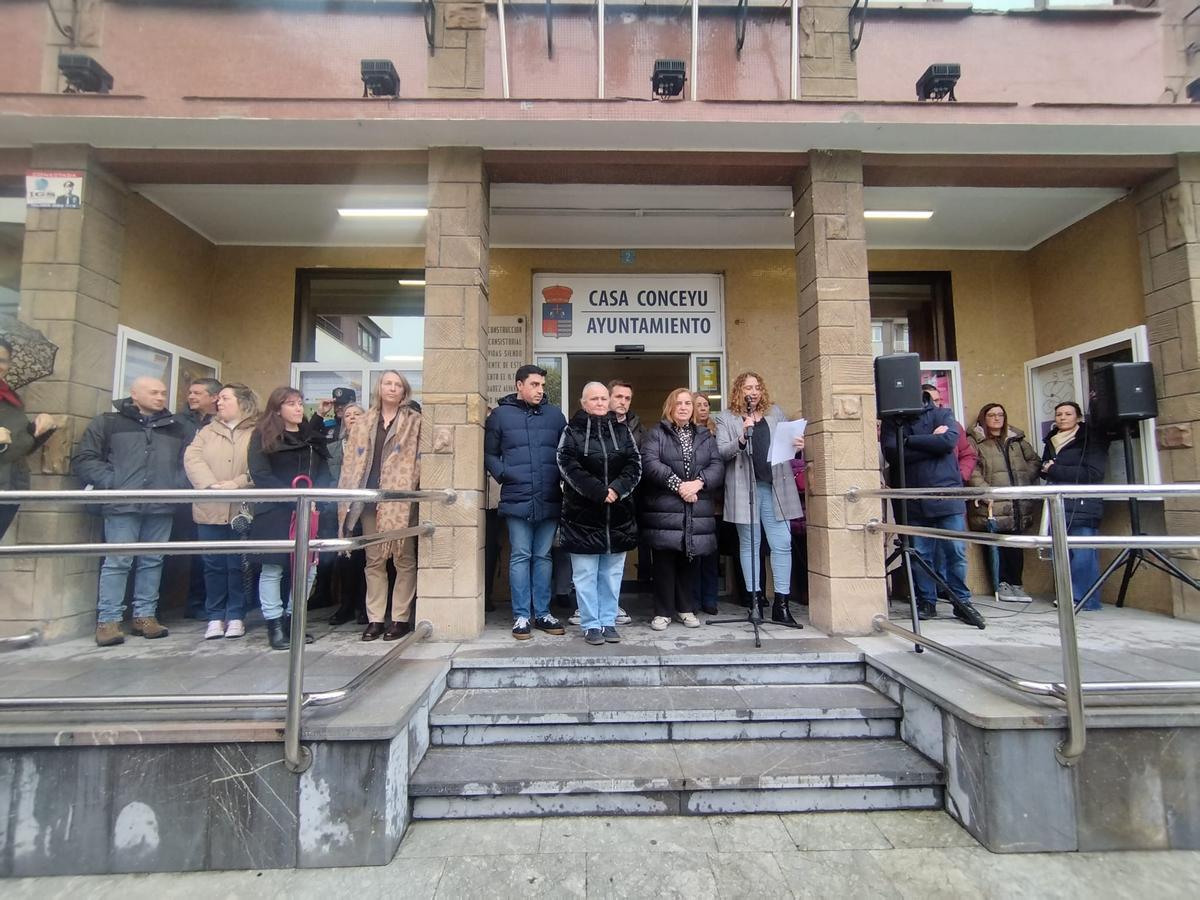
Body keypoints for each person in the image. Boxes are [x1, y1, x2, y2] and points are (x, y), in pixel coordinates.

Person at [72, 376, 195, 647]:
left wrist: (174, 485)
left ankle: (144, 616)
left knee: (153, 560)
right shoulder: (108, 422)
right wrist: (113, 481)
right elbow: (85, 459)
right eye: (154, 392)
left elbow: (188, 463)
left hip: (161, 504)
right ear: (134, 394)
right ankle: (109, 620)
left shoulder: (176, 427)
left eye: (163, 393)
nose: (161, 397)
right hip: (121, 503)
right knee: (118, 561)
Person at [881, 390, 986, 628]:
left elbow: (948, 442)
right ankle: (926, 601)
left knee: (956, 552)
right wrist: (931, 442)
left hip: (946, 494)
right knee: (920, 554)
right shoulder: (893, 421)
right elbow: (893, 452)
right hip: (913, 498)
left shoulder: (943, 414)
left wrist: (909, 441)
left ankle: (961, 600)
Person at [485, 364, 568, 641]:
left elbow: (566, 454)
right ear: (519, 385)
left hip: (549, 496)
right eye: (534, 384)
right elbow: (490, 454)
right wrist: (505, 475)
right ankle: (521, 615)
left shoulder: (555, 416)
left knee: (543, 556)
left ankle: (543, 613)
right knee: (521, 555)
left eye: (542, 385)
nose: (540, 390)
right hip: (517, 496)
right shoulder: (500, 416)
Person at [337, 371, 423, 641]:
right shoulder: (363, 422)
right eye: (388, 383)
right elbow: (350, 461)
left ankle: (400, 618)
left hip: (399, 500)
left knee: (403, 558)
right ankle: (375, 618)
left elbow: (421, 457)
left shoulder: (414, 422)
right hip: (369, 500)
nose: (393, 388)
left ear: (404, 391)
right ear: (379, 388)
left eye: (398, 385)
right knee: (374, 560)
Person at [715, 371, 806, 626]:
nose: (753, 392)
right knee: (750, 546)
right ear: (738, 391)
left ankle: (782, 604)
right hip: (746, 489)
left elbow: (787, 445)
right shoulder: (727, 417)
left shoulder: (775, 413)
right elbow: (722, 451)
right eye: (747, 388)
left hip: (776, 486)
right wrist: (743, 436)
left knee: (783, 543)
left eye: (757, 387)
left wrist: (797, 445)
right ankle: (754, 603)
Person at [557, 382, 642, 645]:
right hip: (582, 517)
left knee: (612, 573)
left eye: (603, 398)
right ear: (583, 402)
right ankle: (591, 624)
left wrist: (616, 489)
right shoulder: (571, 431)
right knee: (584, 575)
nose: (600, 403)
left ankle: (608, 621)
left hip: (617, 516)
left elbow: (634, 465)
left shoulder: (622, 430)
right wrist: (597, 491)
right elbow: (566, 463)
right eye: (594, 399)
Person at [248, 386, 332, 650]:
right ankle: (273, 624)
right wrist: (291, 496)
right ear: (277, 408)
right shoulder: (263, 436)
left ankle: (293, 620)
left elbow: (324, 473)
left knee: (308, 569)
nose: (298, 408)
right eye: (291, 404)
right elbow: (260, 474)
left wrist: (316, 495)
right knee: (273, 567)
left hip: (307, 511)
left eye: (300, 403)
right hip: (275, 511)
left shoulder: (310, 437)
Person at [640, 388, 724, 631]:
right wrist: (679, 486)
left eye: (688, 403)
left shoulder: (705, 436)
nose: (685, 407)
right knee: (664, 561)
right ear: (670, 407)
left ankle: (686, 609)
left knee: (691, 559)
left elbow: (717, 465)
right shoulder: (657, 433)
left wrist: (698, 483)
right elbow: (650, 463)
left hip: (695, 507)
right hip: (665, 508)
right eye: (679, 403)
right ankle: (662, 612)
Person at [183, 383, 259, 640]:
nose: (219, 403)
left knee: (237, 563)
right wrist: (209, 484)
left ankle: (236, 614)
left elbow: (260, 466)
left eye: (226, 398)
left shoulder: (256, 432)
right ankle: (215, 615)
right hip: (210, 507)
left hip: (241, 508)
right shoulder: (206, 431)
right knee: (212, 563)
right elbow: (192, 459)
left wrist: (237, 483)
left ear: (242, 402)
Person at [967, 403, 1042, 602]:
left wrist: (1023, 479)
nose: (996, 418)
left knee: (1015, 544)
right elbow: (971, 469)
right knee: (995, 545)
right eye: (991, 415)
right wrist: (984, 490)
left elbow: (1035, 461)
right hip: (992, 503)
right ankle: (1001, 584)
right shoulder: (976, 441)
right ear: (984, 417)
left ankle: (1017, 584)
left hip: (1016, 502)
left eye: (1000, 414)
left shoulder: (1016, 439)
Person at [1041, 400, 1109, 611]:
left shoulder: (1090, 440)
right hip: (1058, 502)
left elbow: (1093, 473)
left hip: (1083, 502)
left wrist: (1055, 470)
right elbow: (1044, 468)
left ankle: (1085, 599)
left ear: (1078, 417)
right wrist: (1048, 470)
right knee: (1062, 553)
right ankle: (1067, 594)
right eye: (1059, 414)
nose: (1062, 417)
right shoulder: (1052, 440)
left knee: (1083, 553)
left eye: (1068, 414)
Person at [0, 337, 57, 540]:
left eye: (3, 360)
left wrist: (41, 427)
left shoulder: (11, 398)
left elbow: (19, 446)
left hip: (10, 486)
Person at [180, 377, 222, 619]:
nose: (191, 397)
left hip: (218, 498)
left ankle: (210, 604)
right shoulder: (178, 423)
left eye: (198, 393)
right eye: (190, 392)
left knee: (214, 556)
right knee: (197, 553)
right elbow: (185, 458)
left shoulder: (223, 425)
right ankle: (196, 603)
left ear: (214, 397)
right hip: (188, 494)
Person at [327, 403, 368, 626]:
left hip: (363, 507)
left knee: (364, 558)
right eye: (348, 415)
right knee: (344, 559)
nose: (352, 418)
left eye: (357, 414)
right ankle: (346, 605)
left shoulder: (370, 445)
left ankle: (363, 606)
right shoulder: (334, 448)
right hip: (340, 507)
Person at [691, 392, 721, 615]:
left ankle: (710, 598)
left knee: (711, 552)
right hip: (691, 498)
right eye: (699, 404)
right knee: (694, 555)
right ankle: (693, 598)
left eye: (706, 404)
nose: (704, 408)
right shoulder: (686, 433)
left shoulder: (716, 431)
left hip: (713, 498)